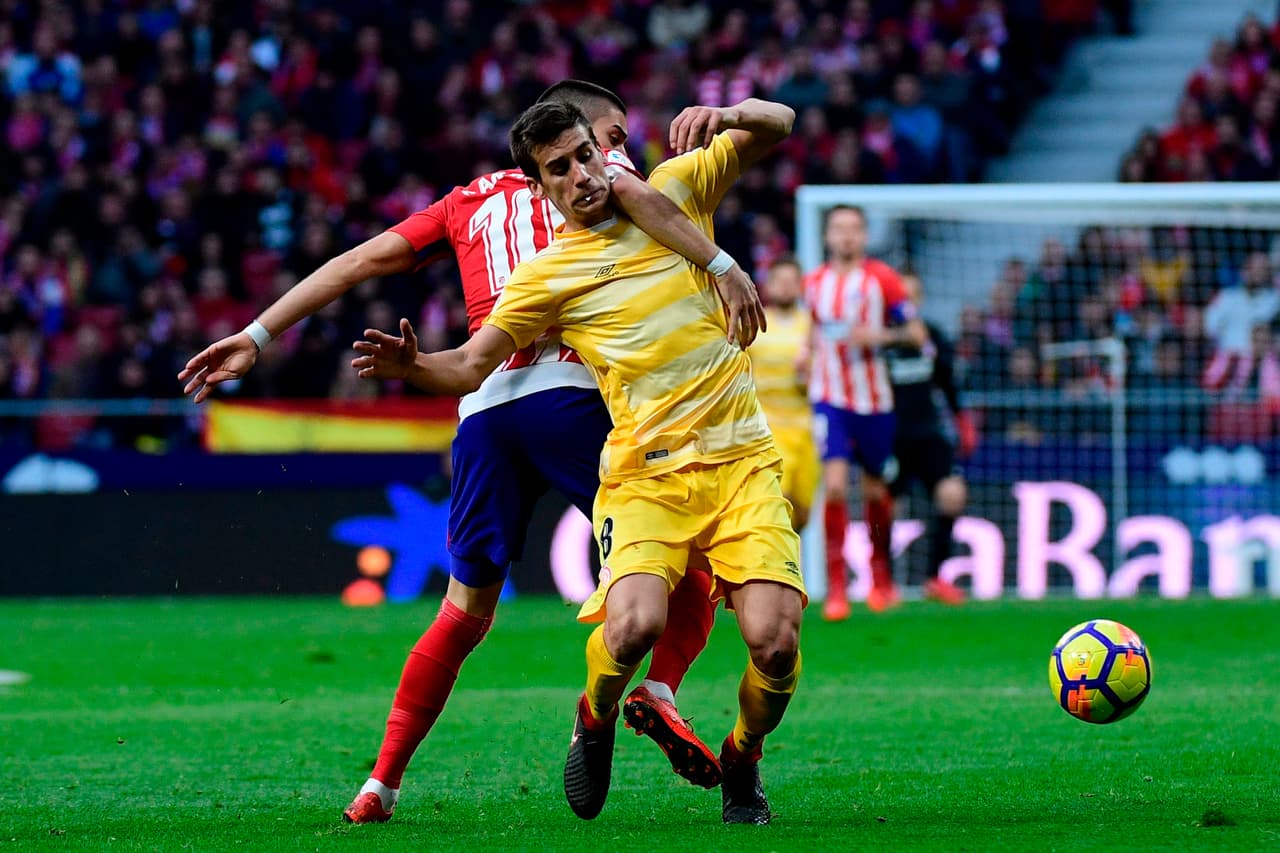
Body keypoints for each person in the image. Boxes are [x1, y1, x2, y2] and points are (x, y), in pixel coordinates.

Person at [179, 80, 767, 824]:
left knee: (463, 613)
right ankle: (659, 690)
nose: (615, 150)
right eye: (608, 135)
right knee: (690, 568)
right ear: (575, 140)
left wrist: (257, 335)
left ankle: (380, 783)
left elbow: (360, 262)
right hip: (577, 397)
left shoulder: (464, 202)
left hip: (484, 407)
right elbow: (664, 210)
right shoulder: (612, 186)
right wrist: (724, 266)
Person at [352, 97, 803, 826]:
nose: (580, 176)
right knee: (630, 629)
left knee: (774, 645)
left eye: (585, 156)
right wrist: (414, 367)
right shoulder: (549, 275)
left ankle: (743, 756)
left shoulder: (680, 189)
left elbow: (780, 123)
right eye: (558, 169)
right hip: (645, 474)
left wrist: (727, 110)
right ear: (539, 186)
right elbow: (471, 365)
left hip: (741, 463)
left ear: (604, 150)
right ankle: (595, 715)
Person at [805, 205, 925, 620]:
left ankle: (880, 577)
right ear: (827, 237)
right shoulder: (813, 284)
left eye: (853, 229)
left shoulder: (883, 280)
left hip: (874, 401)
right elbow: (810, 334)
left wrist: (882, 335)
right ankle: (837, 588)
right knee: (835, 487)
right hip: (829, 399)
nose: (846, 237)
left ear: (864, 236)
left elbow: (917, 335)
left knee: (876, 491)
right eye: (839, 229)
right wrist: (804, 357)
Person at [884, 273, 975, 605]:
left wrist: (962, 420)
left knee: (952, 495)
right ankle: (883, 581)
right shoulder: (881, 341)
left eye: (913, 295)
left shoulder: (932, 336)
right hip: (889, 434)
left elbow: (948, 380)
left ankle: (935, 577)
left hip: (929, 433)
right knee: (884, 507)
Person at [751, 255, 819, 531]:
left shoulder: (813, 327)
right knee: (779, 503)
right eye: (780, 281)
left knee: (801, 515)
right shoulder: (755, 323)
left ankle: (791, 568)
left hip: (807, 429)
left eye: (793, 281)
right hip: (770, 428)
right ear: (769, 285)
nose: (787, 287)